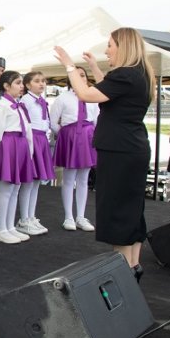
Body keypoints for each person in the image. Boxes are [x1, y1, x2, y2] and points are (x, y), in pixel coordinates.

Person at [55, 27, 156, 282]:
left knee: (117, 209)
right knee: (132, 208)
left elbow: (87, 94)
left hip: (119, 150)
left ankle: (124, 271)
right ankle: (133, 265)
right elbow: (109, 93)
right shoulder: (140, 74)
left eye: (110, 45)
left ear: (123, 47)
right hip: (132, 147)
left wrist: (69, 66)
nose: (107, 50)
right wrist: (94, 68)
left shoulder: (126, 74)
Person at [0, 71, 35, 245]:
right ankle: (1, 229)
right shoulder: (1, 107)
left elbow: (27, 131)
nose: (22, 86)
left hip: (20, 147)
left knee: (15, 189)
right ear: (6, 86)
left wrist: (29, 152)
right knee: (5, 190)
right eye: (18, 83)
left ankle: (10, 226)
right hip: (7, 148)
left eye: (22, 83)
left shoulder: (18, 106)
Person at [50, 67, 99, 232]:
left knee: (84, 179)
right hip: (70, 137)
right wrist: (65, 135)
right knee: (69, 178)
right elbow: (53, 122)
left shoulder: (92, 97)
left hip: (88, 137)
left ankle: (81, 216)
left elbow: (96, 119)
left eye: (83, 75)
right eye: (76, 75)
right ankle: (68, 217)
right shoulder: (63, 98)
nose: (80, 78)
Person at [16, 71, 54, 235]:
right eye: (37, 81)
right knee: (28, 182)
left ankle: (31, 216)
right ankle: (23, 219)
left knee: (37, 182)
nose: (41, 83)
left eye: (43, 81)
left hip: (42, 140)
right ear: (27, 84)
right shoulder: (25, 100)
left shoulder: (42, 101)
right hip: (32, 140)